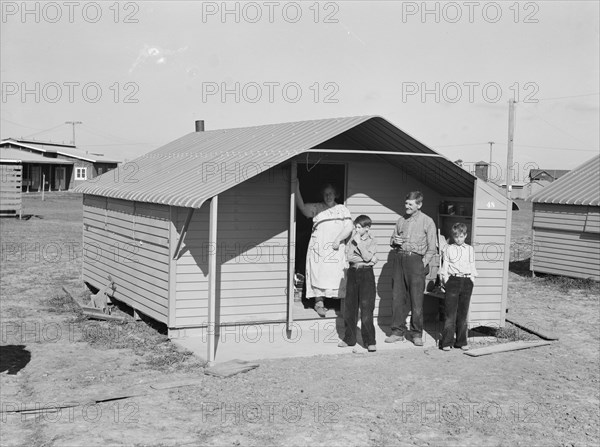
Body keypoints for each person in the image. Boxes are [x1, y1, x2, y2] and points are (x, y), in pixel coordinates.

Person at [294, 180, 353, 317]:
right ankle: (319, 303)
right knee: (318, 275)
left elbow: (349, 226)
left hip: (336, 249)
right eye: (326, 194)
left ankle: (339, 305)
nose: (328, 196)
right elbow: (302, 207)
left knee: (337, 275)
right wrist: (296, 187)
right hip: (319, 248)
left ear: (336, 194)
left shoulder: (342, 209)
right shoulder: (317, 207)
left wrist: (338, 239)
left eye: (331, 193)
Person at [385, 191, 436, 346]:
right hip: (399, 258)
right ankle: (397, 332)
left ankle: (416, 334)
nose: (406, 206)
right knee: (397, 298)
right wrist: (395, 241)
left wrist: (422, 263)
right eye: (406, 203)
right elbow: (392, 240)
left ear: (419, 205)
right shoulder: (401, 221)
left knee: (416, 300)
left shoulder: (428, 222)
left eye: (410, 204)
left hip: (416, 261)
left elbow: (432, 247)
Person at [338, 215, 378, 352]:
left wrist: (360, 245)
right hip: (353, 272)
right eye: (355, 226)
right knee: (350, 308)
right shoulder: (351, 239)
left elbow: (368, 258)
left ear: (367, 228)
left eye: (359, 227)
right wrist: (367, 257)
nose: (356, 229)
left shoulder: (372, 241)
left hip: (366, 274)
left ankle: (370, 341)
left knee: (367, 309)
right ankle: (349, 338)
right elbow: (350, 257)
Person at [439, 223, 478, 351]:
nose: (459, 239)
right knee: (450, 314)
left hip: (466, 281)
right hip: (453, 280)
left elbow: (472, 264)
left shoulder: (470, 249)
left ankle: (461, 341)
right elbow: (445, 266)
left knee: (463, 313)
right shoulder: (449, 249)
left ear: (465, 236)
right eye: (456, 237)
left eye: (461, 236)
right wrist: (446, 280)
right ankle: (446, 342)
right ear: (453, 236)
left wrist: (472, 279)